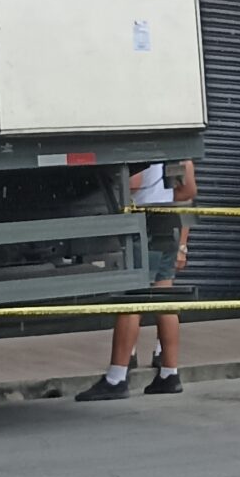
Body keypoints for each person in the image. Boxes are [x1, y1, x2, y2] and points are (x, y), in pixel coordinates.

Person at [75, 160, 194, 401]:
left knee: (132, 298)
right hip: (169, 219)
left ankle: (116, 378)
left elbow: (133, 185)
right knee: (164, 297)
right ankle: (169, 374)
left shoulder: (144, 150)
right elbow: (188, 191)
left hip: (144, 221)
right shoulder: (178, 152)